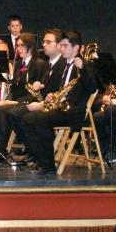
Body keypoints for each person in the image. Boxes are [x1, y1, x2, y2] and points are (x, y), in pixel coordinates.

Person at [21, 30, 98, 174]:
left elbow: (93, 87)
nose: (61, 48)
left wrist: (83, 69)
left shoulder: (85, 64)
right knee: (27, 118)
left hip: (73, 112)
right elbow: (64, 88)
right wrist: (54, 96)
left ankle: (48, 166)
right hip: (61, 108)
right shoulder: (64, 64)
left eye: (64, 45)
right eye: (61, 45)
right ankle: (40, 159)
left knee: (39, 119)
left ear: (76, 48)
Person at [6, 29, 70, 163]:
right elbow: (46, 88)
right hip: (44, 102)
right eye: (44, 42)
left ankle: (39, 156)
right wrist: (39, 86)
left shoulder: (63, 64)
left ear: (59, 45)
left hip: (56, 107)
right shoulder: (49, 64)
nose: (44, 45)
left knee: (23, 116)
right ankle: (36, 154)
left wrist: (41, 101)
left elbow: (62, 90)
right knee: (15, 114)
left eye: (48, 42)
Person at [0, 32, 46, 159]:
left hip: (30, 102)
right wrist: (7, 100)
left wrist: (12, 103)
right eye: (17, 46)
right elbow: (13, 88)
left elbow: (38, 94)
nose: (18, 49)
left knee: (3, 110)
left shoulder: (39, 64)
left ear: (30, 47)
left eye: (21, 46)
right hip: (17, 102)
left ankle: (1, 151)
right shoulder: (18, 64)